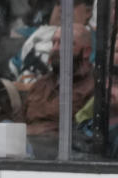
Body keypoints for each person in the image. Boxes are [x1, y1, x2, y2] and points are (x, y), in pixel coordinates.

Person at [23, 23, 96, 159]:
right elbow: (20, 123)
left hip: (64, 158)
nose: (55, 49)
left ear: (86, 52)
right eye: (54, 43)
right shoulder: (40, 85)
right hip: (28, 153)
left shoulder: (95, 87)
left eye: (64, 43)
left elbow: (83, 133)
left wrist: (37, 132)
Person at [8, 0, 94, 87]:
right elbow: (12, 70)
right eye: (58, 3)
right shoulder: (36, 34)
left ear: (88, 12)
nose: (61, 8)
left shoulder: (94, 43)